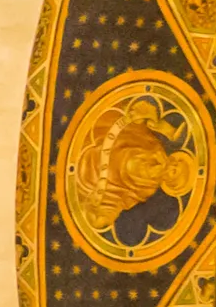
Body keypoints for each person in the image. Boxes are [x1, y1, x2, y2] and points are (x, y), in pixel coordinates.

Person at [60, 85, 203, 252]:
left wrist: (103, 213)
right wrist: (146, 119)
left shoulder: (148, 188)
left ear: (169, 183)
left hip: (96, 182)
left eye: (174, 172)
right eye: (177, 163)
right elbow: (135, 129)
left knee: (98, 218)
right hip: (98, 144)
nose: (173, 165)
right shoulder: (156, 148)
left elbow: (125, 197)